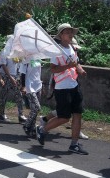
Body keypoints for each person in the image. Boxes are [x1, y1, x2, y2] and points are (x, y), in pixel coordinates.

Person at [36, 23, 88, 155]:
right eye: (67, 32)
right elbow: (53, 69)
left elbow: (76, 63)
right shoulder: (57, 50)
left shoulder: (72, 48)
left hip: (74, 85)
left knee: (78, 114)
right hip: (62, 88)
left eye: (71, 32)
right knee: (64, 117)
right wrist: (67, 66)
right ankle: (42, 130)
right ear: (61, 35)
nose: (71, 35)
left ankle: (74, 144)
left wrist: (80, 70)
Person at [0, 35, 26, 122]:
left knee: (19, 95)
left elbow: (19, 64)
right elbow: (3, 65)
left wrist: (18, 77)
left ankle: (21, 115)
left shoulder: (16, 52)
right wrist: (10, 77)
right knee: (4, 95)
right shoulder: (5, 51)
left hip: (15, 76)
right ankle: (2, 114)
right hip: (6, 76)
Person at [20, 58, 43, 137]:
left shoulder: (38, 58)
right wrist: (23, 86)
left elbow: (38, 72)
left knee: (34, 108)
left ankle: (32, 128)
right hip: (29, 86)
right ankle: (26, 125)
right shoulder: (26, 59)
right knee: (37, 107)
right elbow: (22, 73)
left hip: (38, 85)